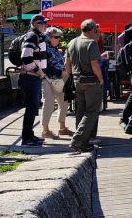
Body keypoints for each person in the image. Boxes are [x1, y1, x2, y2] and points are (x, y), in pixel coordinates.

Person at [65, 19, 104, 153]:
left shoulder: (72, 42)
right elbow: (94, 64)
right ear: (93, 30)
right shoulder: (91, 43)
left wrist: (71, 76)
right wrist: (101, 79)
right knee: (92, 111)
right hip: (91, 81)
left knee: (80, 111)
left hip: (77, 80)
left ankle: (83, 142)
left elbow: (67, 64)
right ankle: (77, 141)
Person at [18, 14, 49, 147]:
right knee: (31, 108)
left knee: (33, 108)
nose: (46, 26)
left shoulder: (37, 36)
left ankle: (30, 135)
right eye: (43, 23)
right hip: (30, 77)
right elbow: (25, 57)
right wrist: (38, 71)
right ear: (36, 24)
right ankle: (26, 139)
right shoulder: (32, 36)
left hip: (33, 77)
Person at [41, 27, 70, 139]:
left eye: (59, 37)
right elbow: (45, 67)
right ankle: (45, 130)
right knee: (48, 104)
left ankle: (62, 128)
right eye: (56, 37)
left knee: (64, 103)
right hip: (48, 80)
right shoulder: (44, 49)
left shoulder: (55, 48)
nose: (59, 39)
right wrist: (60, 72)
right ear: (49, 37)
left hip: (59, 80)